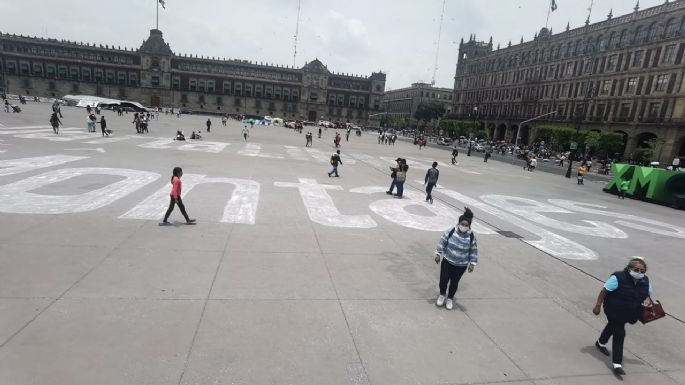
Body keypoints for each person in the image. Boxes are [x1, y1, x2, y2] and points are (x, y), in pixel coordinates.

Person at [593, 257, 653, 375]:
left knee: (613, 326)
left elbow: (647, 295)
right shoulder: (618, 277)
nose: (639, 273)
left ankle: (600, 342)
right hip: (613, 310)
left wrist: (647, 301)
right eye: (636, 269)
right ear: (629, 268)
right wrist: (598, 306)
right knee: (619, 332)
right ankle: (617, 364)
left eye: (642, 271)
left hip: (630, 313)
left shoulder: (645, 281)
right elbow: (604, 291)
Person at [434, 207, 478, 310]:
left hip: (461, 265)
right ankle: (442, 295)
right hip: (447, 261)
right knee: (443, 280)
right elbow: (442, 242)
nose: (464, 226)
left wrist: (472, 263)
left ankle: (450, 298)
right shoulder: (451, 231)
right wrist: (438, 254)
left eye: (466, 225)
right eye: (462, 224)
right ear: (458, 223)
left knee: (454, 282)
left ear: (469, 226)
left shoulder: (471, 237)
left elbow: (473, 250)